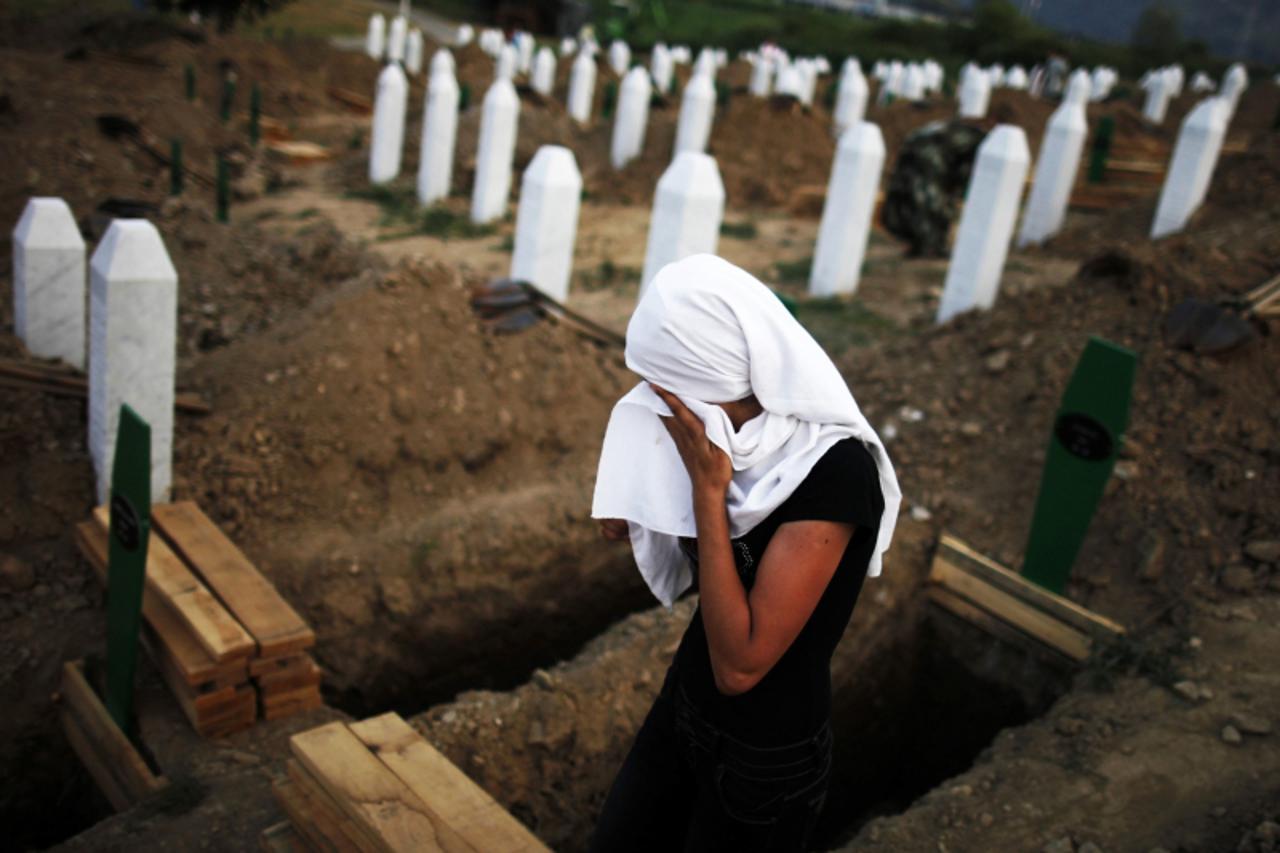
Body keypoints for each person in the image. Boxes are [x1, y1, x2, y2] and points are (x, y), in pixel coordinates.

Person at [589, 254, 901, 852]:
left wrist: (706, 494)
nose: (659, 408)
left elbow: (741, 666)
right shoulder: (723, 434)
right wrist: (644, 508)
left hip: (765, 763)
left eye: (668, 394)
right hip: (685, 706)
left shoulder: (834, 476)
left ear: (710, 385)